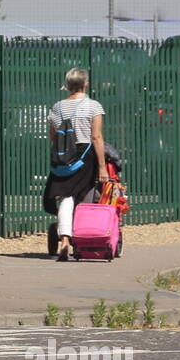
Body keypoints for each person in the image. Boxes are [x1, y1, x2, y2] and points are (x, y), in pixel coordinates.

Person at [43, 67, 108, 261]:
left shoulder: (57, 107)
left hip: (62, 157)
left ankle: (64, 240)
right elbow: (96, 137)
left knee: (65, 197)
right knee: (84, 195)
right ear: (85, 84)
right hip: (84, 155)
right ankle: (82, 239)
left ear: (68, 86)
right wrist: (103, 167)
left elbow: (52, 135)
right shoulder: (93, 106)